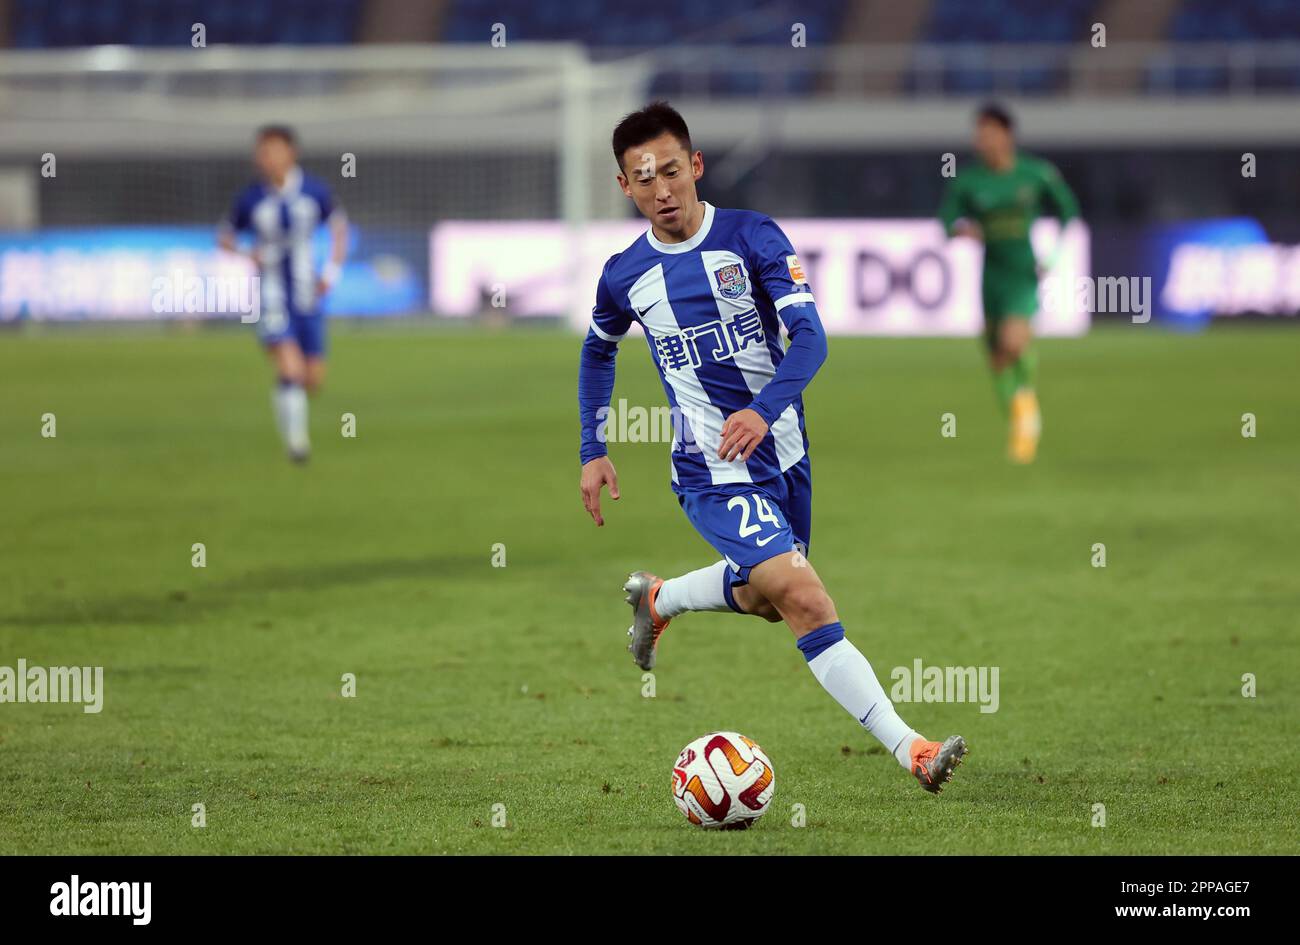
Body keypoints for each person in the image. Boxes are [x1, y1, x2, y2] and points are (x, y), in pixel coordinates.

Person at [578, 102, 967, 795]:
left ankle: (661, 598)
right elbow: (598, 349)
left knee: (763, 598)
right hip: (710, 468)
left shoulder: (752, 237)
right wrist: (593, 445)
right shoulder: (624, 273)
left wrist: (763, 409)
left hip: (783, 451)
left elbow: (811, 336)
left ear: (695, 166)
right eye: (644, 179)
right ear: (624, 187)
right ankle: (911, 747)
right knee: (805, 600)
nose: (661, 189)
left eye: (671, 170)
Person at [939, 103, 1080, 464]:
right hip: (991, 277)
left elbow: (1067, 210)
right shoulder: (970, 181)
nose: (980, 139)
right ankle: (1022, 417)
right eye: (978, 132)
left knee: (1013, 341)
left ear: (1006, 135)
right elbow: (947, 220)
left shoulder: (1035, 174)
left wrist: (1051, 257)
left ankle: (1026, 414)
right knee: (997, 358)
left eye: (987, 132)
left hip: (1022, 274)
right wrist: (963, 229)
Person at [219, 125, 347, 463]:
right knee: (290, 368)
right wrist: (249, 254)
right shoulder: (250, 199)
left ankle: (291, 410)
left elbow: (339, 229)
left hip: (309, 297)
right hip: (271, 296)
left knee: (312, 379)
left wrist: (331, 272)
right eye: (262, 152)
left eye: (274, 150)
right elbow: (225, 238)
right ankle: (297, 444)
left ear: (291, 153)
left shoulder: (315, 191)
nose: (267, 158)